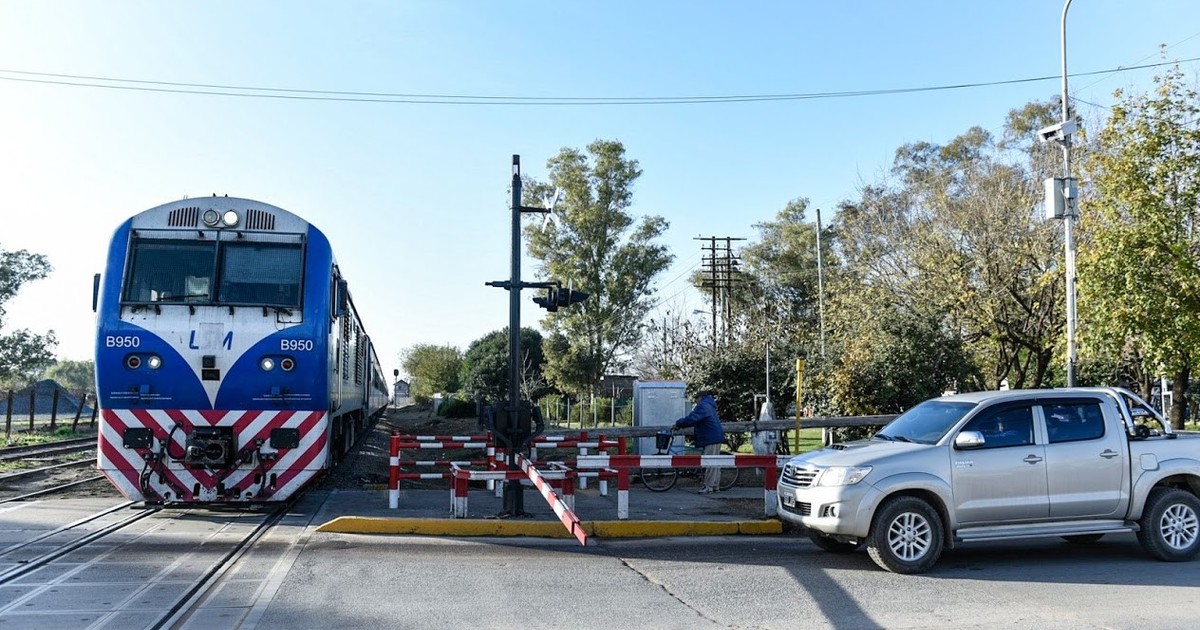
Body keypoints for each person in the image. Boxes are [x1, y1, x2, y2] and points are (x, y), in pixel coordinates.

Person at [673, 391, 726, 494]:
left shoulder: (703, 406)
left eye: (696, 398)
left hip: (710, 436)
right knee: (715, 462)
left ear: (701, 398)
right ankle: (715, 485)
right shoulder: (709, 405)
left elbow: (692, 418)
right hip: (714, 435)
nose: (696, 401)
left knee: (709, 462)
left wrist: (679, 423)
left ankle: (708, 487)